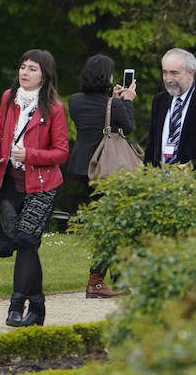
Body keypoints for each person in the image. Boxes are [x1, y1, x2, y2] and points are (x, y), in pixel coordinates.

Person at [0, 49, 68, 327]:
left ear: (45, 75)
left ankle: (16, 306)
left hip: (43, 186)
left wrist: (30, 155)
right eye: (22, 67)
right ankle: (38, 308)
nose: (24, 72)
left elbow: (61, 152)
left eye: (32, 69)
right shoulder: (9, 98)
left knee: (28, 241)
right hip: (10, 181)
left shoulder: (54, 107)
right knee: (21, 242)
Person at [67, 54, 136, 298]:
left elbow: (96, 118)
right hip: (107, 168)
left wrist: (114, 101)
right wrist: (126, 100)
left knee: (108, 222)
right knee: (112, 225)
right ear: (106, 76)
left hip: (84, 168)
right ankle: (96, 280)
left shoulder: (74, 101)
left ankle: (118, 277)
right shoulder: (114, 104)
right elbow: (127, 127)